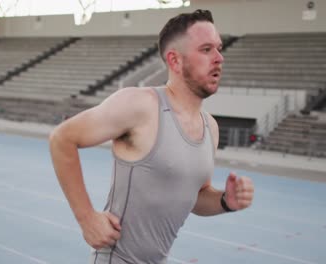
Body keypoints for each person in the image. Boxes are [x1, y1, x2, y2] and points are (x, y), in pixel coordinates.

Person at [49, 9, 255, 264]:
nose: (219, 58)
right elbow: (62, 138)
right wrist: (86, 217)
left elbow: (196, 197)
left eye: (219, 48)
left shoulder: (210, 128)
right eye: (206, 50)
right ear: (175, 61)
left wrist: (225, 201)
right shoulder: (140, 105)